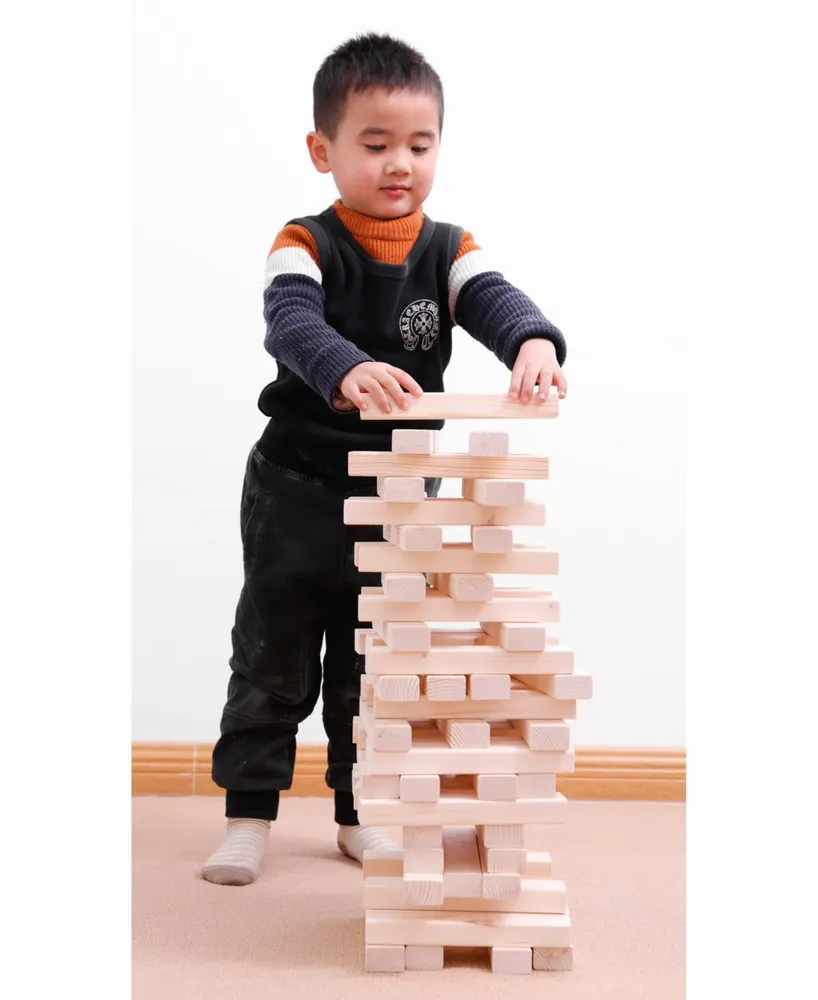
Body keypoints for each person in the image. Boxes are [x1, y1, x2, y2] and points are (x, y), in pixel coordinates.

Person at [201, 32, 568, 886]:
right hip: (297, 490)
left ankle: (358, 813)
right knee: (273, 657)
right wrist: (345, 366)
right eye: (374, 145)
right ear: (323, 150)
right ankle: (249, 813)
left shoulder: (449, 248)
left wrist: (535, 343)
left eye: (419, 144)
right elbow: (290, 323)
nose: (399, 163)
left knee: (376, 667)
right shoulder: (305, 240)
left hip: (401, 495)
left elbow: (497, 300)